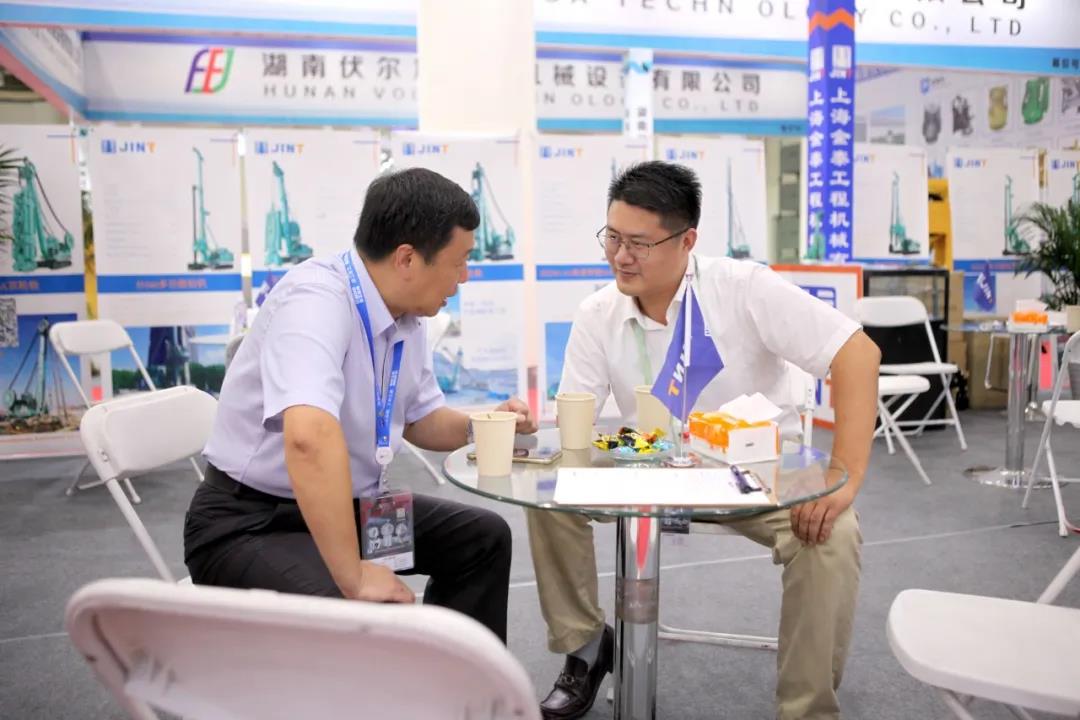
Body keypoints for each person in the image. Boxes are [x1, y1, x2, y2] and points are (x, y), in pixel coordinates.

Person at [529, 161, 880, 719]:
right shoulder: (598, 312)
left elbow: (857, 353)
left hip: (756, 472)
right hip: (647, 463)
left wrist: (845, 475)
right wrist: (538, 433)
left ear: (687, 241)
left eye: (640, 244)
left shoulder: (744, 288)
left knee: (832, 533)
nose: (621, 256)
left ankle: (806, 709)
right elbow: (578, 421)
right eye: (613, 238)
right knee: (547, 487)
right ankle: (586, 645)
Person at [184, 167, 537, 643]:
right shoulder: (316, 300)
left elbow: (421, 420)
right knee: (365, 619)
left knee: (482, 538)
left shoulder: (406, 316)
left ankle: (455, 682)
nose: (465, 277)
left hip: (352, 509)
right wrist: (353, 575)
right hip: (249, 523)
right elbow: (308, 437)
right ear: (407, 258)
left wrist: (486, 426)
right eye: (460, 262)